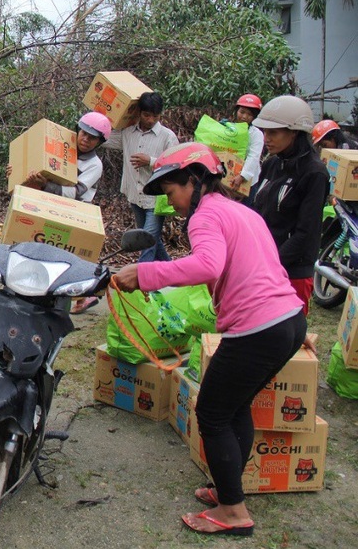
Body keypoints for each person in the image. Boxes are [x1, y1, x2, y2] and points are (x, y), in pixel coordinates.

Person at [112, 142, 309, 537]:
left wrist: (145, 274)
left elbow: (207, 264)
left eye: (172, 194)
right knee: (236, 407)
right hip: (288, 321)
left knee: (214, 413)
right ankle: (228, 489)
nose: (174, 205)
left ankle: (233, 512)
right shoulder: (240, 210)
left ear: (195, 180)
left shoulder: (204, 216)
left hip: (257, 329)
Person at [5, 111, 111, 313]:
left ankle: (75, 299)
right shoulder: (60, 147)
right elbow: (29, 163)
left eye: (92, 138)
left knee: (67, 257)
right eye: (83, 133)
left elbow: (77, 192)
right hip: (48, 204)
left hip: (73, 211)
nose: (85, 139)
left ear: (99, 142)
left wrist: (45, 185)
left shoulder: (94, 165)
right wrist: (15, 171)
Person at [252, 95, 329, 316]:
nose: (266, 138)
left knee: (288, 338)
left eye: (273, 132)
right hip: (264, 264)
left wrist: (273, 263)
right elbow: (259, 213)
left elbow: (306, 232)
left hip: (292, 271)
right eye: (265, 132)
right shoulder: (271, 164)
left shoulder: (314, 173)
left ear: (294, 132)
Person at [101, 91, 178, 262]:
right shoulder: (127, 133)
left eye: (155, 116)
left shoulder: (167, 137)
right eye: (146, 115)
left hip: (156, 199)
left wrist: (150, 161)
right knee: (152, 239)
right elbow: (102, 138)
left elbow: (176, 166)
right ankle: (171, 272)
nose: (150, 120)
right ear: (139, 113)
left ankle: (141, 280)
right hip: (135, 196)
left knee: (146, 243)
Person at [228, 94, 266, 205]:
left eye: (249, 114)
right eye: (242, 112)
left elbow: (253, 156)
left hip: (248, 181)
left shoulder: (256, 134)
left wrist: (243, 176)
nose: (244, 117)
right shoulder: (229, 128)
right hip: (229, 176)